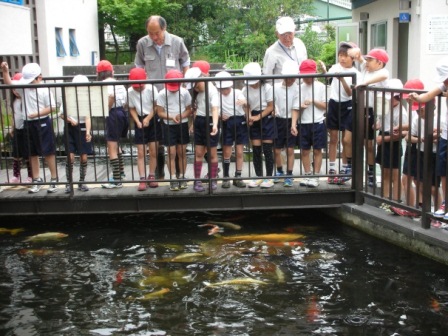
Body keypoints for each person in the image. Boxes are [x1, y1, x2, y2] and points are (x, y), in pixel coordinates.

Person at [134, 15, 191, 181]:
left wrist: (185, 85)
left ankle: (180, 175)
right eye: (150, 33)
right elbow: (138, 67)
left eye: (157, 33)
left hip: (174, 93)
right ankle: (159, 174)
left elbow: (186, 62)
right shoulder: (142, 44)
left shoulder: (177, 41)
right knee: (156, 137)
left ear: (164, 29)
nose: (154, 37)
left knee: (177, 142)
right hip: (153, 96)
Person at [1, 62, 58, 194]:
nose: (30, 83)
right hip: (28, 123)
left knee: (48, 152)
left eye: (32, 80)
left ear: (40, 78)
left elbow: (52, 107)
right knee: (32, 153)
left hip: (42, 122)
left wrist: (38, 113)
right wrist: (5, 71)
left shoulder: (45, 90)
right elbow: (9, 83)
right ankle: (36, 179)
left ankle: (54, 179)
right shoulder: (24, 87)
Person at [408, 57, 448, 220]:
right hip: (445, 135)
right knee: (443, 172)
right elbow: (428, 96)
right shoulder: (443, 85)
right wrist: (416, 97)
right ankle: (445, 203)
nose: (445, 83)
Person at [320, 42, 360, 185]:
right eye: (340, 56)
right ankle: (331, 169)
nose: (342, 59)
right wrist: (324, 71)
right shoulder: (336, 67)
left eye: (345, 56)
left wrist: (342, 79)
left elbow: (350, 93)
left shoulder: (355, 73)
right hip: (334, 103)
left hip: (347, 105)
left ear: (353, 58)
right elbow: (327, 77)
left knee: (345, 139)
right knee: (333, 138)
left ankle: (344, 169)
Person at [350, 47, 390, 187]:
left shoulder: (382, 71)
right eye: (367, 59)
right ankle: (357, 172)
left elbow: (384, 76)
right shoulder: (366, 69)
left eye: (370, 60)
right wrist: (358, 55)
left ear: (379, 62)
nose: (367, 62)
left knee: (369, 144)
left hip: (373, 112)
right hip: (361, 109)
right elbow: (360, 58)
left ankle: (371, 173)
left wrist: (365, 83)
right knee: (358, 142)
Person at [390, 79, 424, 218]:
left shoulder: (421, 109)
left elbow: (416, 131)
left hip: (416, 146)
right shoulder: (416, 110)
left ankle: (413, 209)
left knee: (409, 179)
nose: (407, 101)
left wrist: (405, 133)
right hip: (414, 145)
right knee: (415, 179)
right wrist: (402, 129)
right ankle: (417, 206)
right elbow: (412, 127)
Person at [291, 59, 327, 188]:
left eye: (309, 75)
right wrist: (293, 124)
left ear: (315, 73)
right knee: (304, 151)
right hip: (303, 123)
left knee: (318, 150)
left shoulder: (321, 87)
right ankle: (307, 174)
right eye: (305, 75)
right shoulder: (298, 88)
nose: (307, 78)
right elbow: (295, 108)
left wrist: (312, 101)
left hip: (318, 122)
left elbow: (325, 106)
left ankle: (315, 175)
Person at [374, 79, 408, 211]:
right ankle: (385, 199)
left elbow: (402, 133)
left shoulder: (401, 112)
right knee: (384, 172)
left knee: (394, 173)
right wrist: (377, 125)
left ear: (397, 96)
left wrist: (385, 139)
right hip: (383, 137)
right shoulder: (385, 106)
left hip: (392, 142)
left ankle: (396, 201)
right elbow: (381, 120)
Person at [184, 65, 219, 192]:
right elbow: (197, 108)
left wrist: (215, 124)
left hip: (210, 121)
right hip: (199, 120)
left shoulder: (212, 90)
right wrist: (193, 123)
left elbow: (215, 109)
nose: (195, 88)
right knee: (199, 153)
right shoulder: (197, 92)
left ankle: (213, 178)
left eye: (196, 85)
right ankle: (197, 180)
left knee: (212, 153)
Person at [156, 69, 192, 191]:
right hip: (168, 125)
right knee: (171, 152)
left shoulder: (185, 93)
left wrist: (181, 116)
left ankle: (181, 176)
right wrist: (171, 116)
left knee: (182, 151)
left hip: (182, 124)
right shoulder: (162, 94)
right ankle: (172, 177)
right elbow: (159, 112)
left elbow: (189, 109)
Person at [242, 62, 275, 189]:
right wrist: (249, 116)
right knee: (256, 150)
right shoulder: (246, 89)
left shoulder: (267, 87)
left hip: (265, 116)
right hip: (253, 116)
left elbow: (270, 106)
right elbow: (247, 106)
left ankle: (269, 178)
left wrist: (257, 117)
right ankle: (259, 177)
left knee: (267, 149)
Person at [127, 67, 161, 191]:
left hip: (152, 118)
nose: (138, 88)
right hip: (139, 119)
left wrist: (148, 118)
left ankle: (151, 175)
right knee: (141, 152)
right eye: (136, 86)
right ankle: (142, 178)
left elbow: (156, 106)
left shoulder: (152, 89)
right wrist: (137, 121)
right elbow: (131, 108)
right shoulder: (130, 91)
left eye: (140, 86)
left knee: (153, 151)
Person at [97, 60, 129, 189]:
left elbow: (111, 98)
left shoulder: (103, 85)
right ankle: (120, 173)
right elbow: (125, 102)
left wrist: (105, 108)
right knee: (117, 144)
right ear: (112, 72)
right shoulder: (119, 84)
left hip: (113, 114)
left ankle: (116, 179)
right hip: (122, 113)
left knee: (111, 146)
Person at [214, 71, 248, 188]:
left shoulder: (237, 92)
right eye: (222, 88)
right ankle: (226, 176)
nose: (225, 91)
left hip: (239, 121)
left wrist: (244, 102)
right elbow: (215, 109)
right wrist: (219, 115)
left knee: (239, 151)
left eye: (226, 88)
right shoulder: (217, 96)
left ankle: (238, 175)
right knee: (227, 151)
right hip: (226, 122)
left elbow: (245, 102)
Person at [60, 75, 94, 193]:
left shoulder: (86, 99)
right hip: (70, 127)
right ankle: (69, 183)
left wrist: (88, 132)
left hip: (83, 127)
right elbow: (61, 114)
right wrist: (70, 120)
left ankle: (81, 181)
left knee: (84, 156)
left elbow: (88, 117)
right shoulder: (68, 97)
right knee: (70, 156)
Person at [273, 60, 300, 187]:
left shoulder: (296, 88)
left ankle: (289, 174)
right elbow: (271, 103)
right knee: (276, 149)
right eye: (289, 77)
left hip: (290, 119)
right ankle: (279, 171)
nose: (291, 80)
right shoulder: (275, 87)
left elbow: (295, 108)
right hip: (277, 120)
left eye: (293, 77)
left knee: (290, 149)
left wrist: (293, 125)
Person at [6, 73, 33, 184]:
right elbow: (14, 116)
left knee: (27, 154)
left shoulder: (26, 101)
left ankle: (31, 176)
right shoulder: (14, 101)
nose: (16, 91)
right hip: (17, 130)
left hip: (26, 129)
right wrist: (12, 128)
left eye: (18, 89)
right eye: (14, 89)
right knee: (16, 154)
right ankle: (16, 176)